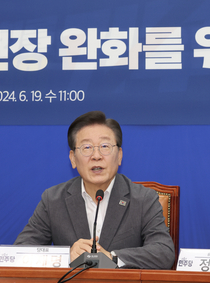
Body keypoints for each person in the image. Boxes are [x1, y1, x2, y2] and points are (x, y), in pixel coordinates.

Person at [14, 111, 175, 269]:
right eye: (87, 147)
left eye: (105, 146)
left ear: (119, 156)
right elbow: (19, 254)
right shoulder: (53, 200)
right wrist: (65, 257)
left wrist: (113, 258)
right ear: (73, 158)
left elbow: (164, 253)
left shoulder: (144, 199)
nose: (96, 156)